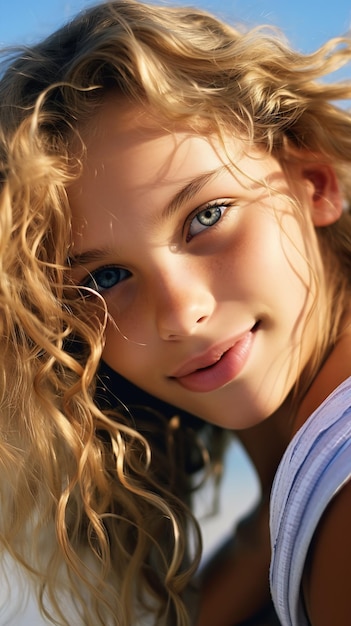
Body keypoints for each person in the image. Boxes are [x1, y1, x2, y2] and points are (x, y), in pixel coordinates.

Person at [0, 1, 350, 625]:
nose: (182, 313)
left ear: (314, 180)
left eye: (206, 217)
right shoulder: (288, 513)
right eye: (106, 278)